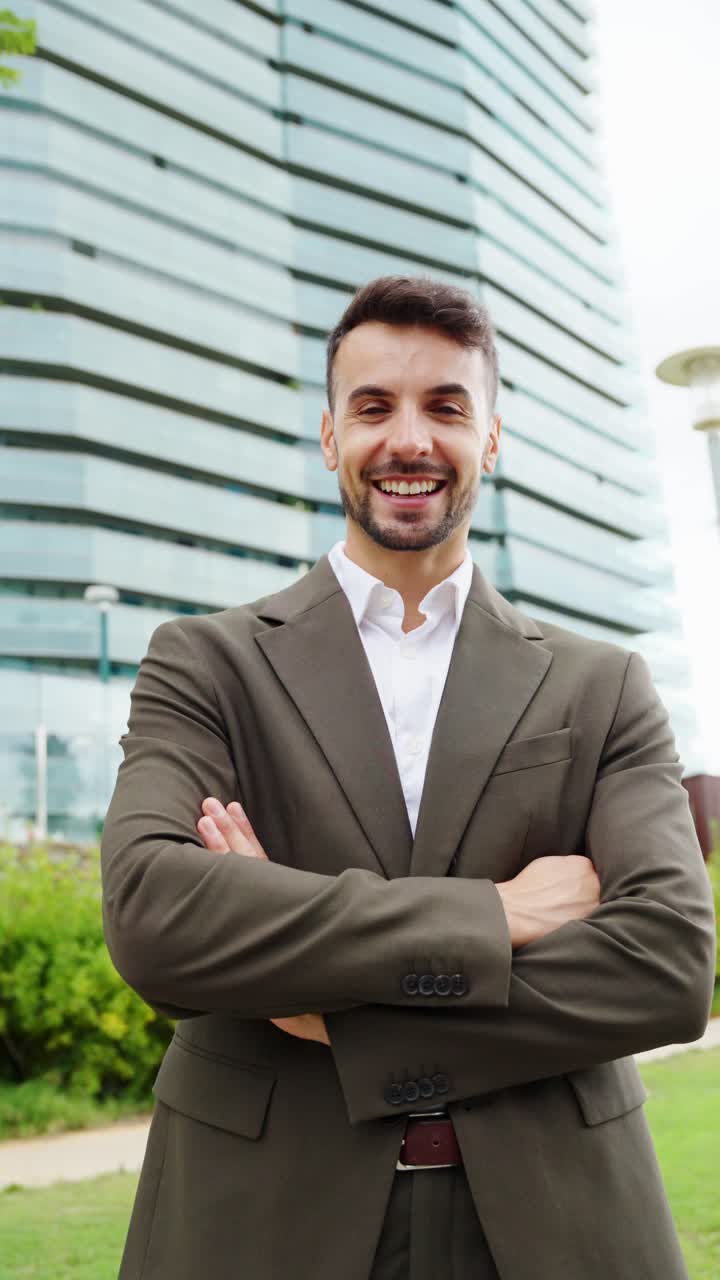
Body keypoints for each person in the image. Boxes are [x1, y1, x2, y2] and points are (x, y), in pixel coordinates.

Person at [101, 275, 716, 1280]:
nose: (410, 439)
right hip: (261, 1219)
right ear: (330, 435)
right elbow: (154, 915)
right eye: (374, 406)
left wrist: (333, 1009)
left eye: (447, 406)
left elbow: (667, 965)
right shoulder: (205, 663)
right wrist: (498, 914)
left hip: (557, 1219)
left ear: (492, 437)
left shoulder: (604, 684)